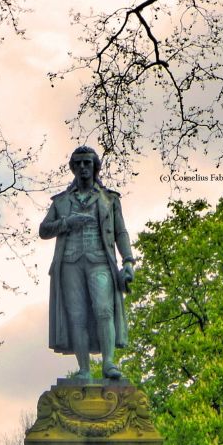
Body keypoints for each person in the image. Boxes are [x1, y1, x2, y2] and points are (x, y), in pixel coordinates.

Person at [40, 145, 135, 382]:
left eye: (87, 163)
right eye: (79, 164)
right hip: (70, 263)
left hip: (100, 261)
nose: (83, 168)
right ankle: (84, 369)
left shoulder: (109, 199)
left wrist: (129, 261)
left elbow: (120, 232)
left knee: (104, 310)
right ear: (73, 168)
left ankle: (109, 363)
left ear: (95, 167)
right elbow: (43, 230)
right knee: (77, 316)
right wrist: (67, 222)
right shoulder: (61, 202)